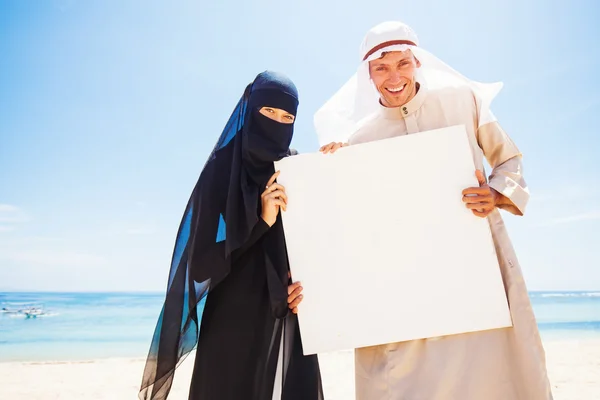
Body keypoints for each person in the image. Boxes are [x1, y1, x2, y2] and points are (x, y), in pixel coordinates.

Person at [289, 21, 553, 399]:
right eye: (381, 68)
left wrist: (494, 194)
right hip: (405, 280)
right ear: (368, 75)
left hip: (477, 265)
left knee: (495, 369)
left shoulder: (464, 101)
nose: (394, 77)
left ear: (418, 62)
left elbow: (508, 160)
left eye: (403, 63)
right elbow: (348, 221)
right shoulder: (358, 138)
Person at [139, 71, 324, 400]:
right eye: (268, 112)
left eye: (287, 117)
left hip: (287, 310)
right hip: (232, 316)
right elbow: (200, 265)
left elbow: (316, 241)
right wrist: (261, 221)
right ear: (250, 109)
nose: (277, 123)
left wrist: (306, 283)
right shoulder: (222, 169)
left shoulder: (295, 167)